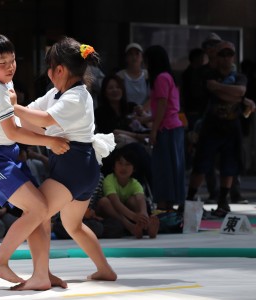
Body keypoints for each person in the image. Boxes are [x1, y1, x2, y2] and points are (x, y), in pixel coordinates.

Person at [0, 31, 70, 290]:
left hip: (6, 155)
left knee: (42, 213)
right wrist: (50, 141)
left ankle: (41, 274)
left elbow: (14, 122)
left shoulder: (3, 83)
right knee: (37, 209)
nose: (10, 67)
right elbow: (13, 131)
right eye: (2, 63)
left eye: (12, 60)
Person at [13, 36, 117, 288]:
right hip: (80, 168)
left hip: (74, 168)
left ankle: (41, 275)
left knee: (37, 213)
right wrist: (7, 117)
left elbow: (45, 119)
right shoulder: (57, 94)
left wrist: (12, 107)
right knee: (74, 226)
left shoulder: (77, 97)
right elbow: (31, 117)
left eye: (49, 68)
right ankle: (105, 270)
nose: (48, 74)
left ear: (59, 70)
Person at [186, 41, 254, 217]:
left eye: (229, 54)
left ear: (233, 57)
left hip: (232, 126)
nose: (226, 58)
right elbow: (214, 89)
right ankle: (190, 199)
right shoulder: (208, 73)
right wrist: (235, 95)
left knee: (230, 165)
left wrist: (224, 90)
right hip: (211, 125)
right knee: (201, 164)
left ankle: (223, 200)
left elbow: (240, 91)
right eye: (222, 54)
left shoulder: (239, 76)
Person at [142, 45, 186, 211]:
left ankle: (163, 206)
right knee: (174, 169)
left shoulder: (160, 78)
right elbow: (168, 107)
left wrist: (153, 130)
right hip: (174, 127)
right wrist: (147, 118)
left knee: (163, 169)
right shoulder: (169, 77)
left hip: (166, 129)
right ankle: (170, 206)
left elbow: (162, 105)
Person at [95, 147, 159, 239]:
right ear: (114, 166)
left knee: (133, 200)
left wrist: (144, 216)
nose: (123, 167)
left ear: (134, 169)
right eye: (120, 163)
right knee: (104, 201)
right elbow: (115, 203)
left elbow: (141, 200)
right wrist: (134, 217)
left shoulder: (135, 183)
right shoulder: (109, 180)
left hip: (127, 215)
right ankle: (131, 227)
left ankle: (146, 228)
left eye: (128, 164)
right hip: (111, 215)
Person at [95, 74, 150, 147]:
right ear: (104, 92)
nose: (115, 90)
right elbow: (112, 134)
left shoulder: (131, 106)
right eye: (110, 88)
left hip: (142, 144)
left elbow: (150, 126)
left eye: (118, 87)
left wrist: (142, 113)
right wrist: (138, 136)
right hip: (118, 149)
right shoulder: (100, 112)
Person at [116, 42, 149, 110]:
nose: (134, 57)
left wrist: (142, 109)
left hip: (145, 115)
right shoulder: (119, 76)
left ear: (142, 57)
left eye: (137, 54)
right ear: (126, 58)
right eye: (130, 54)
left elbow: (153, 97)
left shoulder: (148, 75)